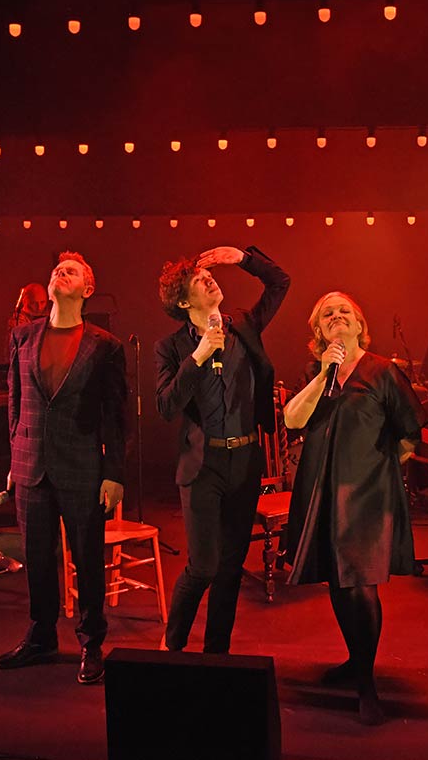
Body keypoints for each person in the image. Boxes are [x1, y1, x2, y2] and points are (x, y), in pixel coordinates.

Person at [282, 292, 425, 726]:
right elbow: (292, 419)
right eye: (327, 313)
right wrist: (324, 372)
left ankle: (366, 684)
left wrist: (376, 470)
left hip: (367, 496)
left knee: (361, 586)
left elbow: (409, 433)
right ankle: (355, 659)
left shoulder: (383, 371)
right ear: (318, 331)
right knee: (339, 580)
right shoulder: (316, 373)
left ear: (360, 325)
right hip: (324, 491)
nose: (337, 316)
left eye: (345, 310)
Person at [0, 251, 128, 685]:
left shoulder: (105, 346)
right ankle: (41, 636)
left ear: (88, 289)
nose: (60, 272)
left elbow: (115, 415)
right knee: (37, 557)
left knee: (87, 559)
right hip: (30, 462)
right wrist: (14, 455)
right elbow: (14, 401)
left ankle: (91, 641)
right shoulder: (22, 336)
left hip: (82, 465)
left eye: (71, 271)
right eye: (57, 269)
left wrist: (114, 472)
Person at [155, 245, 290, 654]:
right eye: (199, 280)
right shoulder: (171, 348)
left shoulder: (244, 325)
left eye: (208, 275)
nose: (210, 279)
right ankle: (172, 648)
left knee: (230, 567)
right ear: (183, 302)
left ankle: (217, 655)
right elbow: (166, 407)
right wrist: (198, 357)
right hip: (203, 465)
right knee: (203, 567)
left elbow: (280, 282)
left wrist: (242, 259)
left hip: (245, 461)